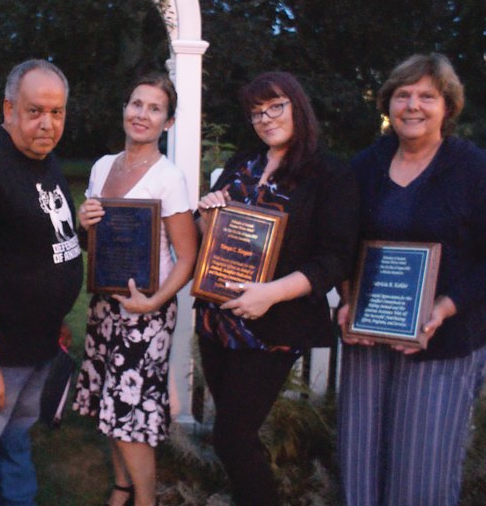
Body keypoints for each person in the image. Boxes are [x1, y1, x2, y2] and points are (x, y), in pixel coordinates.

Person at [195, 72, 359, 506]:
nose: (265, 118)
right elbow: (209, 233)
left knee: (231, 437)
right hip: (216, 320)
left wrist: (270, 293)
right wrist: (206, 212)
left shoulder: (329, 174)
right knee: (233, 435)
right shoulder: (241, 164)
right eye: (256, 112)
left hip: (274, 328)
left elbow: (334, 259)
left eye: (275, 107)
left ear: (297, 106)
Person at [336, 53, 486, 506]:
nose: (413, 106)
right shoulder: (365, 166)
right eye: (403, 95)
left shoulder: (473, 169)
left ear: (448, 106)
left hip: (444, 340)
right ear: (388, 104)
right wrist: (346, 299)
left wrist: (444, 307)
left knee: (422, 472)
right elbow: (342, 242)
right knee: (359, 463)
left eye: (427, 95)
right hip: (367, 338)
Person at [0, 59, 84, 506]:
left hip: (38, 346)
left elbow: (41, 244)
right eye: (35, 111)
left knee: (16, 443)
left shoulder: (44, 158)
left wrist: (54, 319)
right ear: (9, 109)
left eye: (57, 112)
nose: (47, 124)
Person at [72, 73, 197, 506]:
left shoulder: (169, 177)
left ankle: (146, 499)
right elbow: (98, 242)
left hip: (147, 311)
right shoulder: (103, 167)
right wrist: (84, 223)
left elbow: (187, 257)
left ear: (168, 122)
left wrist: (155, 302)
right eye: (136, 103)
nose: (141, 114)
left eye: (154, 108)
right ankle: (122, 486)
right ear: (125, 109)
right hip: (105, 304)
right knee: (110, 403)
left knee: (129, 414)